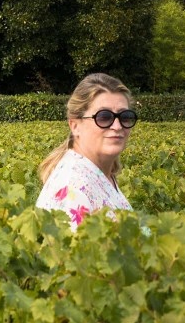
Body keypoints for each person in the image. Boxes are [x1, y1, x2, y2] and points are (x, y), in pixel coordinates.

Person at [36, 72, 137, 229]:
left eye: (125, 117)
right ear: (75, 125)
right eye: (104, 117)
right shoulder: (72, 189)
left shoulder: (100, 174)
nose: (117, 127)